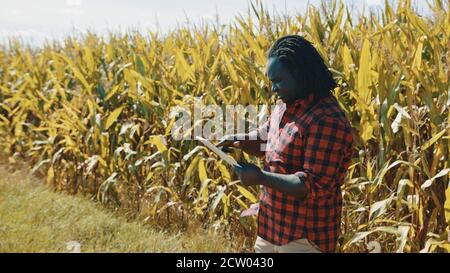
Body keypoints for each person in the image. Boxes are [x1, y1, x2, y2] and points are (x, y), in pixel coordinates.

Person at [217, 35, 353, 253]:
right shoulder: (285, 105)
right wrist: (240, 141)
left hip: (303, 239)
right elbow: (267, 137)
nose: (273, 88)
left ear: (299, 73)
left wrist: (260, 177)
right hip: (271, 227)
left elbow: (310, 185)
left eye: (277, 80)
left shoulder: (326, 119)